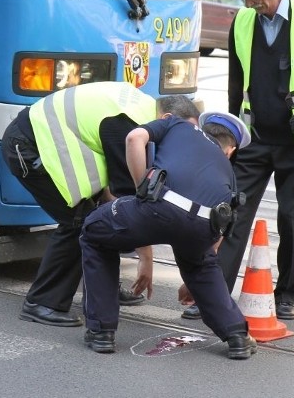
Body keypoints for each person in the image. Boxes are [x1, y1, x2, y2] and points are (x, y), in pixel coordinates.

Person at [181, 0, 294, 322]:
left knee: (292, 220)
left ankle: (286, 295)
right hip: (253, 139)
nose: (250, 4)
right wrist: (229, 137)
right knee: (231, 215)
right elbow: (235, 85)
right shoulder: (242, 21)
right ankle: (214, 294)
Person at [1, 82, 197, 326]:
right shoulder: (128, 124)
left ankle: (103, 290)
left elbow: (117, 197)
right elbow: (128, 200)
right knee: (79, 223)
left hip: (44, 142)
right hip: (30, 148)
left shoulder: (142, 112)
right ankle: (42, 302)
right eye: (182, 134)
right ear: (167, 117)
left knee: (101, 218)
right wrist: (146, 258)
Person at [80, 106, 256, 359]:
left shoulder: (177, 125)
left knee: (95, 232)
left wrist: (142, 190)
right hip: (202, 227)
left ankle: (101, 332)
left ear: (202, 128)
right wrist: (195, 274)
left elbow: (133, 138)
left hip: (158, 209)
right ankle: (237, 335)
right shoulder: (228, 171)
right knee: (202, 264)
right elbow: (222, 229)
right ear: (230, 149)